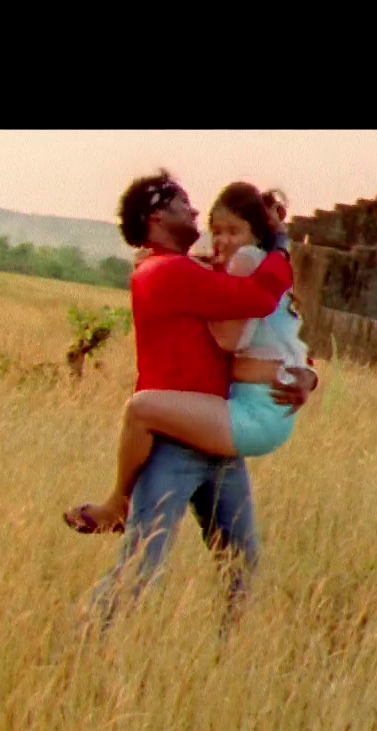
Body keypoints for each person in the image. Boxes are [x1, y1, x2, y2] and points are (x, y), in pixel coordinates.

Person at [83, 171, 314, 629]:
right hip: (178, 444)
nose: (194, 210)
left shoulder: (192, 269)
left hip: (220, 431)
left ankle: (225, 662)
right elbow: (257, 297)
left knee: (242, 570)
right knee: (141, 569)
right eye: (182, 203)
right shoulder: (166, 272)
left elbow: (267, 334)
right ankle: (81, 649)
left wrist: (305, 374)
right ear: (157, 216)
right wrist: (280, 244)